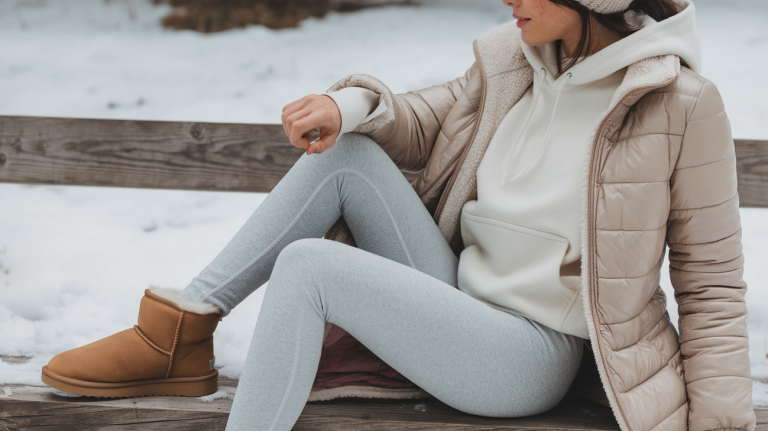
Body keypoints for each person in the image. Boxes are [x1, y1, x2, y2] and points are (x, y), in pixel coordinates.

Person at [40, 0, 756, 430]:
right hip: (458, 294)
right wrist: (344, 107)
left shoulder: (680, 105)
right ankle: (179, 331)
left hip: (529, 353)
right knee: (344, 159)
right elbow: (427, 116)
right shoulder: (520, 58)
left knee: (310, 268)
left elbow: (712, 284)